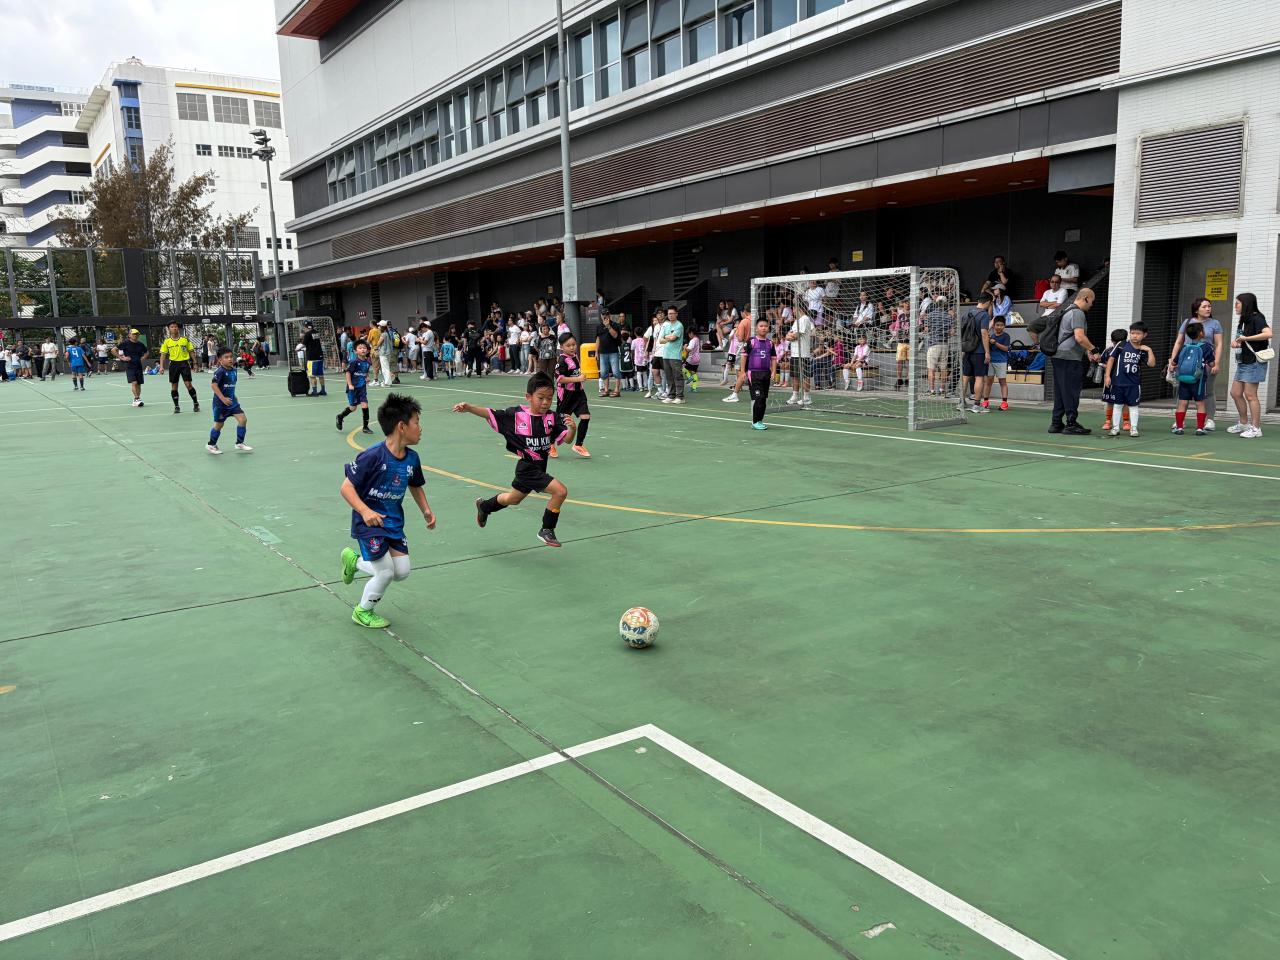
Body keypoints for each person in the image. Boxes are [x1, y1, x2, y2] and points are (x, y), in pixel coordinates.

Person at [338, 393, 435, 628]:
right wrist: (365, 511)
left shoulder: (412, 458)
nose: (420, 428)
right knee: (385, 573)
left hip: (393, 522)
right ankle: (363, 611)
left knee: (401, 572)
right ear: (401, 426)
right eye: (416, 422)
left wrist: (426, 509)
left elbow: (415, 485)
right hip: (369, 524)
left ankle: (354, 561)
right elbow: (346, 488)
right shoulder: (373, 456)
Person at [454, 373, 574, 548]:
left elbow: (568, 439)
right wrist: (470, 408)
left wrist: (572, 429)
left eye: (549, 398)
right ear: (529, 397)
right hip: (527, 468)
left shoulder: (552, 418)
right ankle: (547, 529)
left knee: (513, 498)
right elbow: (490, 413)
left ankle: (484, 507)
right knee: (560, 492)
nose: (545, 402)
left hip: (538, 467)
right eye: (541, 398)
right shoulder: (516, 415)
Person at [1047, 288, 1099, 435]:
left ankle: (1056, 423)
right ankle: (1071, 423)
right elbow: (1079, 337)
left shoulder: (1067, 309)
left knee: (1060, 391)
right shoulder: (1078, 313)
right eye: (1092, 301)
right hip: (1069, 357)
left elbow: (1073, 336)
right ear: (1086, 298)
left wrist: (1087, 350)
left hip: (1059, 355)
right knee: (1071, 390)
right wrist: (1094, 350)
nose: (1092, 304)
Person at [1168, 298, 1224, 431]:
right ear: (1196, 309)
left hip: (1205, 363)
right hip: (1186, 363)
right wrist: (1172, 360)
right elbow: (1179, 342)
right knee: (1183, 390)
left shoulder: (1215, 323)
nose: (1208, 309)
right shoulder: (1187, 322)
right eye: (1204, 306)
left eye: (1209, 306)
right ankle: (1180, 421)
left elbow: (1219, 344)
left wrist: (1216, 363)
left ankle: (1209, 420)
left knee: (1207, 391)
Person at [1227, 292, 1272, 439]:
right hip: (1243, 361)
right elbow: (1240, 339)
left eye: (1237, 303)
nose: (1235, 306)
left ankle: (1256, 428)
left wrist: (1246, 338)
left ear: (1245, 304)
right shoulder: (1243, 320)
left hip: (1254, 362)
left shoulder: (1257, 318)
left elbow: (1268, 333)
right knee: (1235, 393)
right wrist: (1236, 342)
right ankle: (1244, 423)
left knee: (1250, 395)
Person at [1102, 321, 1155, 437]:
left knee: (1133, 406)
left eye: (1138, 333)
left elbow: (1151, 364)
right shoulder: (1121, 345)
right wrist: (1107, 376)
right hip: (1118, 381)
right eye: (1132, 333)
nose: (1135, 336)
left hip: (1134, 383)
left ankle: (1134, 428)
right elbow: (1111, 359)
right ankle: (1115, 428)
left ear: (1144, 335)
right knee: (1117, 405)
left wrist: (1149, 350)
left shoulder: (1142, 350)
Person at [1170, 321, 1216, 436]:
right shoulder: (1206, 347)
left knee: (1182, 402)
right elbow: (1212, 364)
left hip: (1183, 379)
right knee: (1200, 403)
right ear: (1201, 333)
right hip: (1199, 380)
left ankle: (1179, 427)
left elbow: (1174, 362)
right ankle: (1200, 428)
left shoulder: (1184, 346)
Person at [206, 348, 252, 454]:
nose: (230, 359)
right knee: (219, 425)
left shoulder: (234, 371)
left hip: (232, 403)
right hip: (220, 404)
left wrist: (234, 397)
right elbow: (214, 386)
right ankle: (211, 445)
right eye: (226, 357)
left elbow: (230, 386)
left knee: (243, 419)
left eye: (231, 357)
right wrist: (223, 399)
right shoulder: (220, 372)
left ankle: (239, 443)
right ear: (220, 360)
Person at [555, 332, 592, 457]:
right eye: (568, 345)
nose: (572, 347)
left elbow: (576, 373)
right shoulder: (562, 360)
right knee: (559, 422)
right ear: (562, 347)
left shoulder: (575, 356)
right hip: (566, 395)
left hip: (579, 393)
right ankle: (550, 444)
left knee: (585, 417)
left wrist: (581, 377)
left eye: (574, 344)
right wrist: (578, 379)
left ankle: (578, 445)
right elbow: (559, 379)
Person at [742, 317, 778, 430]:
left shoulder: (770, 343)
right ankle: (755, 422)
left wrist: (773, 372)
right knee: (759, 397)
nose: (763, 328)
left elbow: (774, 358)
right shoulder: (751, 341)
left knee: (763, 399)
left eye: (765, 326)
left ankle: (759, 421)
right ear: (756, 328)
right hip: (754, 374)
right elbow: (744, 356)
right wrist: (742, 371)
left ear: (768, 328)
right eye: (761, 326)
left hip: (766, 373)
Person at [158, 322, 200, 413]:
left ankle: (196, 403)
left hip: (184, 364)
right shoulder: (167, 341)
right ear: (169, 329)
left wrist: (195, 363)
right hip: (173, 365)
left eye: (176, 326)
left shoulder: (185, 340)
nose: (174, 328)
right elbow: (163, 355)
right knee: (174, 386)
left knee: (188, 385)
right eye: (172, 327)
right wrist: (161, 367)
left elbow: (191, 351)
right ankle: (176, 406)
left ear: (178, 328)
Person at [961, 294, 992, 412]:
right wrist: (987, 352)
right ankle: (976, 405)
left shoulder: (968, 313)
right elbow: (984, 333)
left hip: (967, 349)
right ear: (988, 302)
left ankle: (961, 402)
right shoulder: (984, 315)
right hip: (979, 351)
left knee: (965, 376)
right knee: (979, 377)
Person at [336, 339, 374, 434]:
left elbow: (365, 372)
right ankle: (340, 416)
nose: (363, 349)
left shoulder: (367, 362)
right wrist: (350, 384)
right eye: (360, 348)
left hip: (362, 388)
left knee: (365, 405)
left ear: (367, 350)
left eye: (364, 348)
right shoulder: (354, 362)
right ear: (355, 351)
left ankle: (365, 427)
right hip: (353, 388)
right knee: (353, 408)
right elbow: (348, 373)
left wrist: (367, 378)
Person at [1098, 329, 1127, 433]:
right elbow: (1101, 361)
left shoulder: (1128, 350)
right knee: (1110, 400)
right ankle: (1108, 421)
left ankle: (1126, 421)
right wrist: (1102, 364)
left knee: (1125, 401)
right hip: (1110, 379)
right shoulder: (1108, 351)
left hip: (1123, 380)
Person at [923, 296, 952, 397]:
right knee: (943, 368)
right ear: (945, 304)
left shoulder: (930, 315)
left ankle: (932, 390)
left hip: (933, 344)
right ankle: (942, 389)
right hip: (944, 344)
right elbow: (952, 332)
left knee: (931, 369)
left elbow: (926, 330)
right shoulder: (948, 316)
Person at [785, 306, 814, 406]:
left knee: (805, 376)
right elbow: (788, 335)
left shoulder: (804, 319)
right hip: (794, 353)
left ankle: (807, 397)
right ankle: (795, 396)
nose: (792, 311)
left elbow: (795, 335)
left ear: (798, 308)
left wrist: (790, 336)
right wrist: (789, 336)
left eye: (793, 309)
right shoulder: (796, 321)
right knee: (795, 376)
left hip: (803, 353)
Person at [115, 328, 149, 407]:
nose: (135, 335)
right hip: (130, 366)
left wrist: (143, 358)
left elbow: (147, 352)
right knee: (134, 382)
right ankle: (137, 398)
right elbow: (113, 350)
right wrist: (122, 358)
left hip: (138, 366)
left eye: (137, 334)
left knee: (139, 384)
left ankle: (137, 399)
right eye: (133, 334)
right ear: (129, 335)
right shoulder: (125, 343)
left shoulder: (140, 344)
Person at [659, 307, 686, 404]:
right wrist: (668, 337)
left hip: (675, 355)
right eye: (669, 313)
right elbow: (660, 340)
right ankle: (671, 396)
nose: (670, 315)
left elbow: (673, 338)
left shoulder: (679, 325)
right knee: (669, 377)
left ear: (676, 314)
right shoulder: (666, 325)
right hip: (666, 355)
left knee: (677, 376)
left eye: (672, 313)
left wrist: (666, 337)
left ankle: (680, 397)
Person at [985, 316, 1011, 411]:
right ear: (994, 326)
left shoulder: (1006, 336)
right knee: (988, 382)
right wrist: (988, 341)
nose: (999, 327)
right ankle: (985, 401)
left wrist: (995, 343)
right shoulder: (990, 336)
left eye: (1001, 325)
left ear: (1004, 326)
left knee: (1002, 382)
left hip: (1001, 362)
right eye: (997, 325)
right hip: (991, 361)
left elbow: (1006, 349)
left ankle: (1004, 403)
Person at [596, 313, 623, 397]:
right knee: (603, 372)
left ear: (609, 315)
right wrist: (596, 351)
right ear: (601, 316)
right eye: (603, 314)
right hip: (602, 352)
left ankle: (617, 390)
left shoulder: (614, 325)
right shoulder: (599, 326)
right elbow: (597, 339)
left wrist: (608, 326)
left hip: (613, 352)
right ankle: (606, 390)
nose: (605, 316)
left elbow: (615, 336)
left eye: (606, 314)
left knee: (616, 372)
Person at [301, 320, 328, 396]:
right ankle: (323, 390)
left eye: (304, 327)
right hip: (320, 356)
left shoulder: (307, 334)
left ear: (306, 327)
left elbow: (303, 344)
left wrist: (297, 349)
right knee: (321, 375)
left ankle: (314, 392)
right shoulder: (316, 332)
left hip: (312, 357)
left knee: (312, 376)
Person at [630, 327, 649, 395]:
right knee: (644, 372)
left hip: (637, 359)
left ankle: (640, 387)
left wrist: (632, 357)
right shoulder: (644, 340)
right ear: (643, 333)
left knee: (638, 373)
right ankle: (646, 386)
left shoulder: (634, 341)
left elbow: (632, 350)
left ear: (635, 333)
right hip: (644, 358)